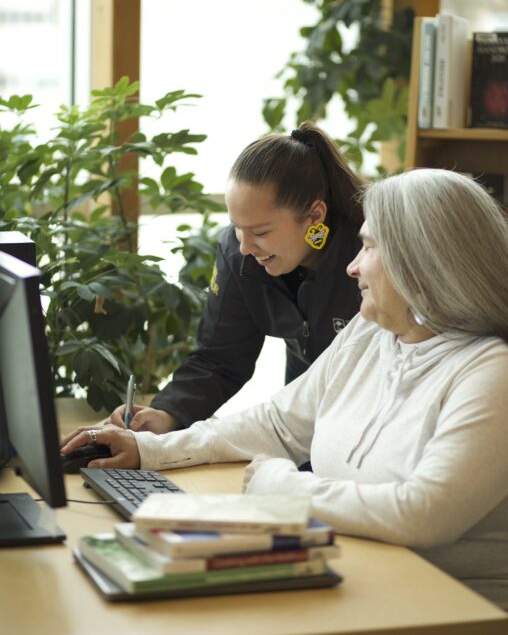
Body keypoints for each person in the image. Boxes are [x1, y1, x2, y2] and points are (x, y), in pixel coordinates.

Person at [61, 168, 508, 609]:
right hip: (356, 581)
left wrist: (282, 485)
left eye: (369, 247)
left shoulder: (491, 373)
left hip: (446, 609)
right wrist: (149, 449)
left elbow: (423, 513)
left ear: (421, 261)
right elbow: (278, 423)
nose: (352, 266)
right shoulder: (370, 333)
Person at [108, 121, 366, 433]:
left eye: (260, 231)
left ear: (314, 216)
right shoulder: (239, 253)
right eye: (236, 226)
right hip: (302, 423)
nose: (244, 246)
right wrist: (165, 415)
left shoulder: (373, 251)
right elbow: (219, 358)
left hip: (374, 426)